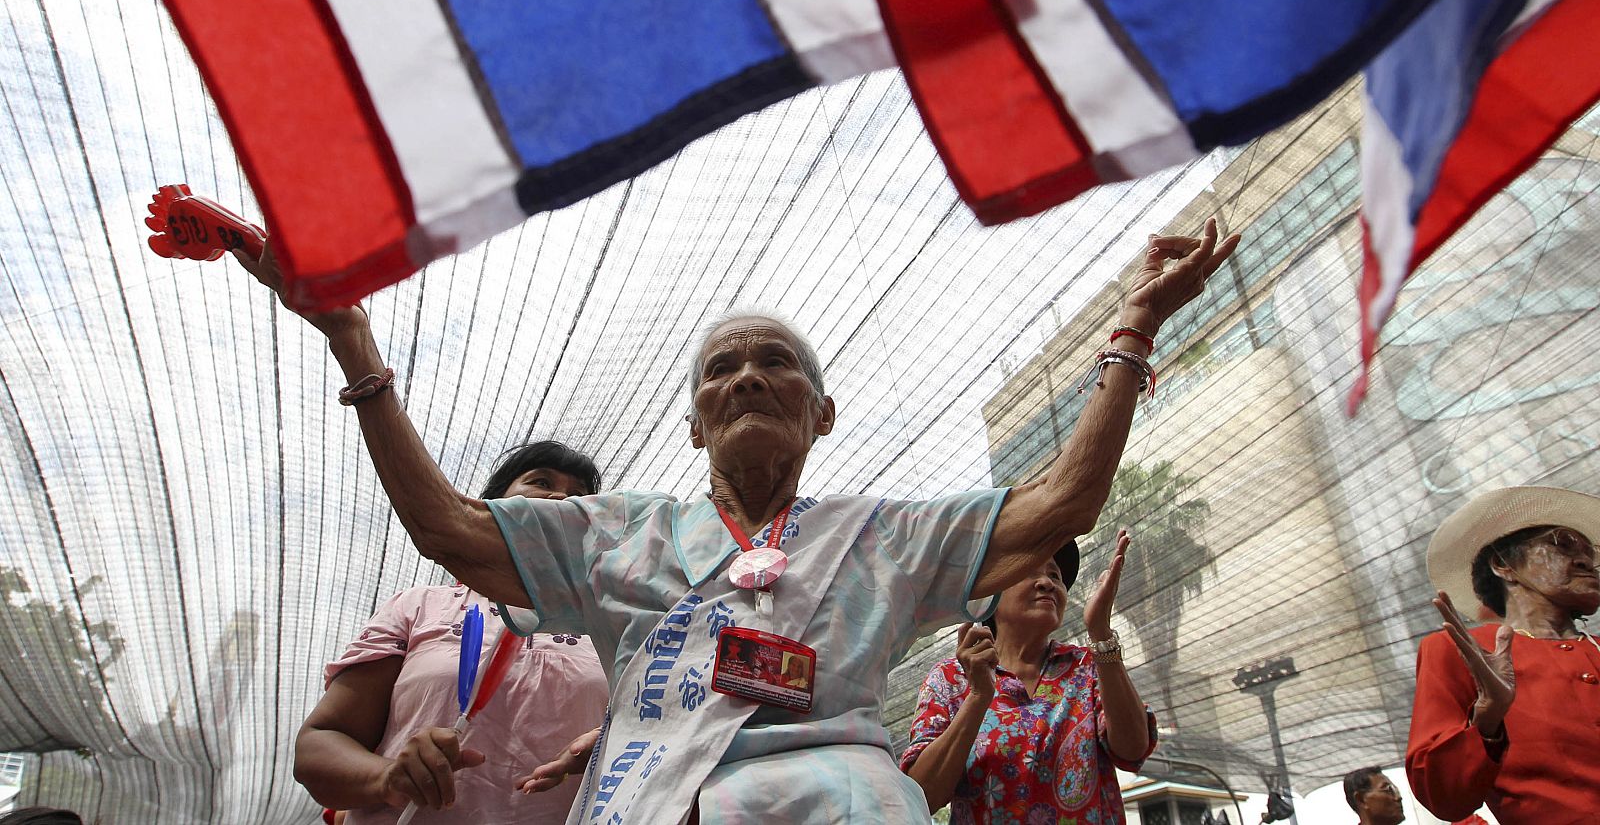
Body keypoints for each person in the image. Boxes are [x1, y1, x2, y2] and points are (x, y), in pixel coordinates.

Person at [235, 218, 1236, 823]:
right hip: (667, 798)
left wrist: (1132, 331)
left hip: (846, 799)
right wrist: (355, 348)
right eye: (721, 367)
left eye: (775, 361)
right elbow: (449, 527)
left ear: (822, 411)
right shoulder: (617, 530)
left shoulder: (882, 530)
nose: (748, 374)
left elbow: (1060, 504)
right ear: (693, 419)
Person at [293, 441, 610, 824]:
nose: (560, 496)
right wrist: (388, 777)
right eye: (540, 481)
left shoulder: (612, 623)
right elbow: (319, 745)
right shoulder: (419, 606)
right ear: (489, 508)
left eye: (579, 496)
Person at [900, 529, 1155, 822]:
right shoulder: (951, 678)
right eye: (1028, 572)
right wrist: (979, 696)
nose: (1047, 583)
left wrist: (1101, 632)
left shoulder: (1088, 666)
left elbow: (1132, 750)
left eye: (1055, 576)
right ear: (990, 597)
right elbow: (923, 795)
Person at [1406, 485, 1600, 823]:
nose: (1587, 562)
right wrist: (1488, 718)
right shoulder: (1459, 651)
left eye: (1592, 556)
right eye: (1563, 544)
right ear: (1503, 564)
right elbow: (1444, 797)